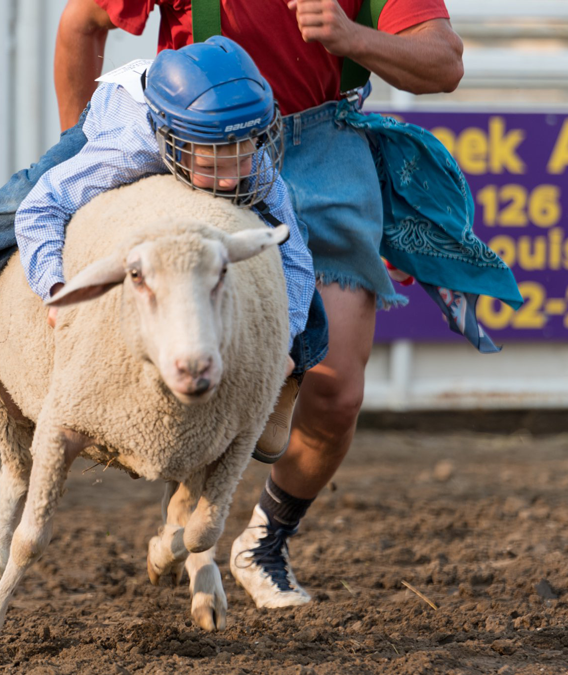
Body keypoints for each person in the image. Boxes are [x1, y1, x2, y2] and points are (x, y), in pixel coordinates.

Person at [52, 0, 521, 609]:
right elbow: (80, 23)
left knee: (337, 392)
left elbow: (443, 64)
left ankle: (263, 543)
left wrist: (351, 37)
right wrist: (79, 144)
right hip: (209, 148)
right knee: (188, 345)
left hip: (329, 150)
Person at [0, 36, 324, 461]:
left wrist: (281, 340)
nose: (231, 180)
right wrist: (55, 288)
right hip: (118, 116)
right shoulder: (129, 147)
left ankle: (290, 371)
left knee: (292, 236)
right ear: (172, 142)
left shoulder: (242, 151)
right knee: (23, 193)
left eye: (243, 159)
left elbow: (295, 259)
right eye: (213, 167)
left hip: (200, 119)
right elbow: (42, 208)